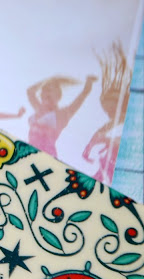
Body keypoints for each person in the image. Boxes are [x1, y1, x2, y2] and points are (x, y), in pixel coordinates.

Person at [83, 42, 132, 183]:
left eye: (112, 109)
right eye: (107, 110)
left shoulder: (128, 121)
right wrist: (88, 147)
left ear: (122, 106)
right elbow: (100, 131)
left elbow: (127, 143)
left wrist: (106, 140)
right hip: (106, 162)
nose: (109, 113)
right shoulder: (114, 121)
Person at [27, 74, 97, 157]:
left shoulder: (61, 115)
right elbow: (30, 91)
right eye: (44, 90)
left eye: (49, 90)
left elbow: (81, 97)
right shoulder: (39, 108)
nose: (45, 93)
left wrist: (89, 82)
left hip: (46, 155)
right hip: (29, 152)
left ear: (58, 96)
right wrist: (46, 80)